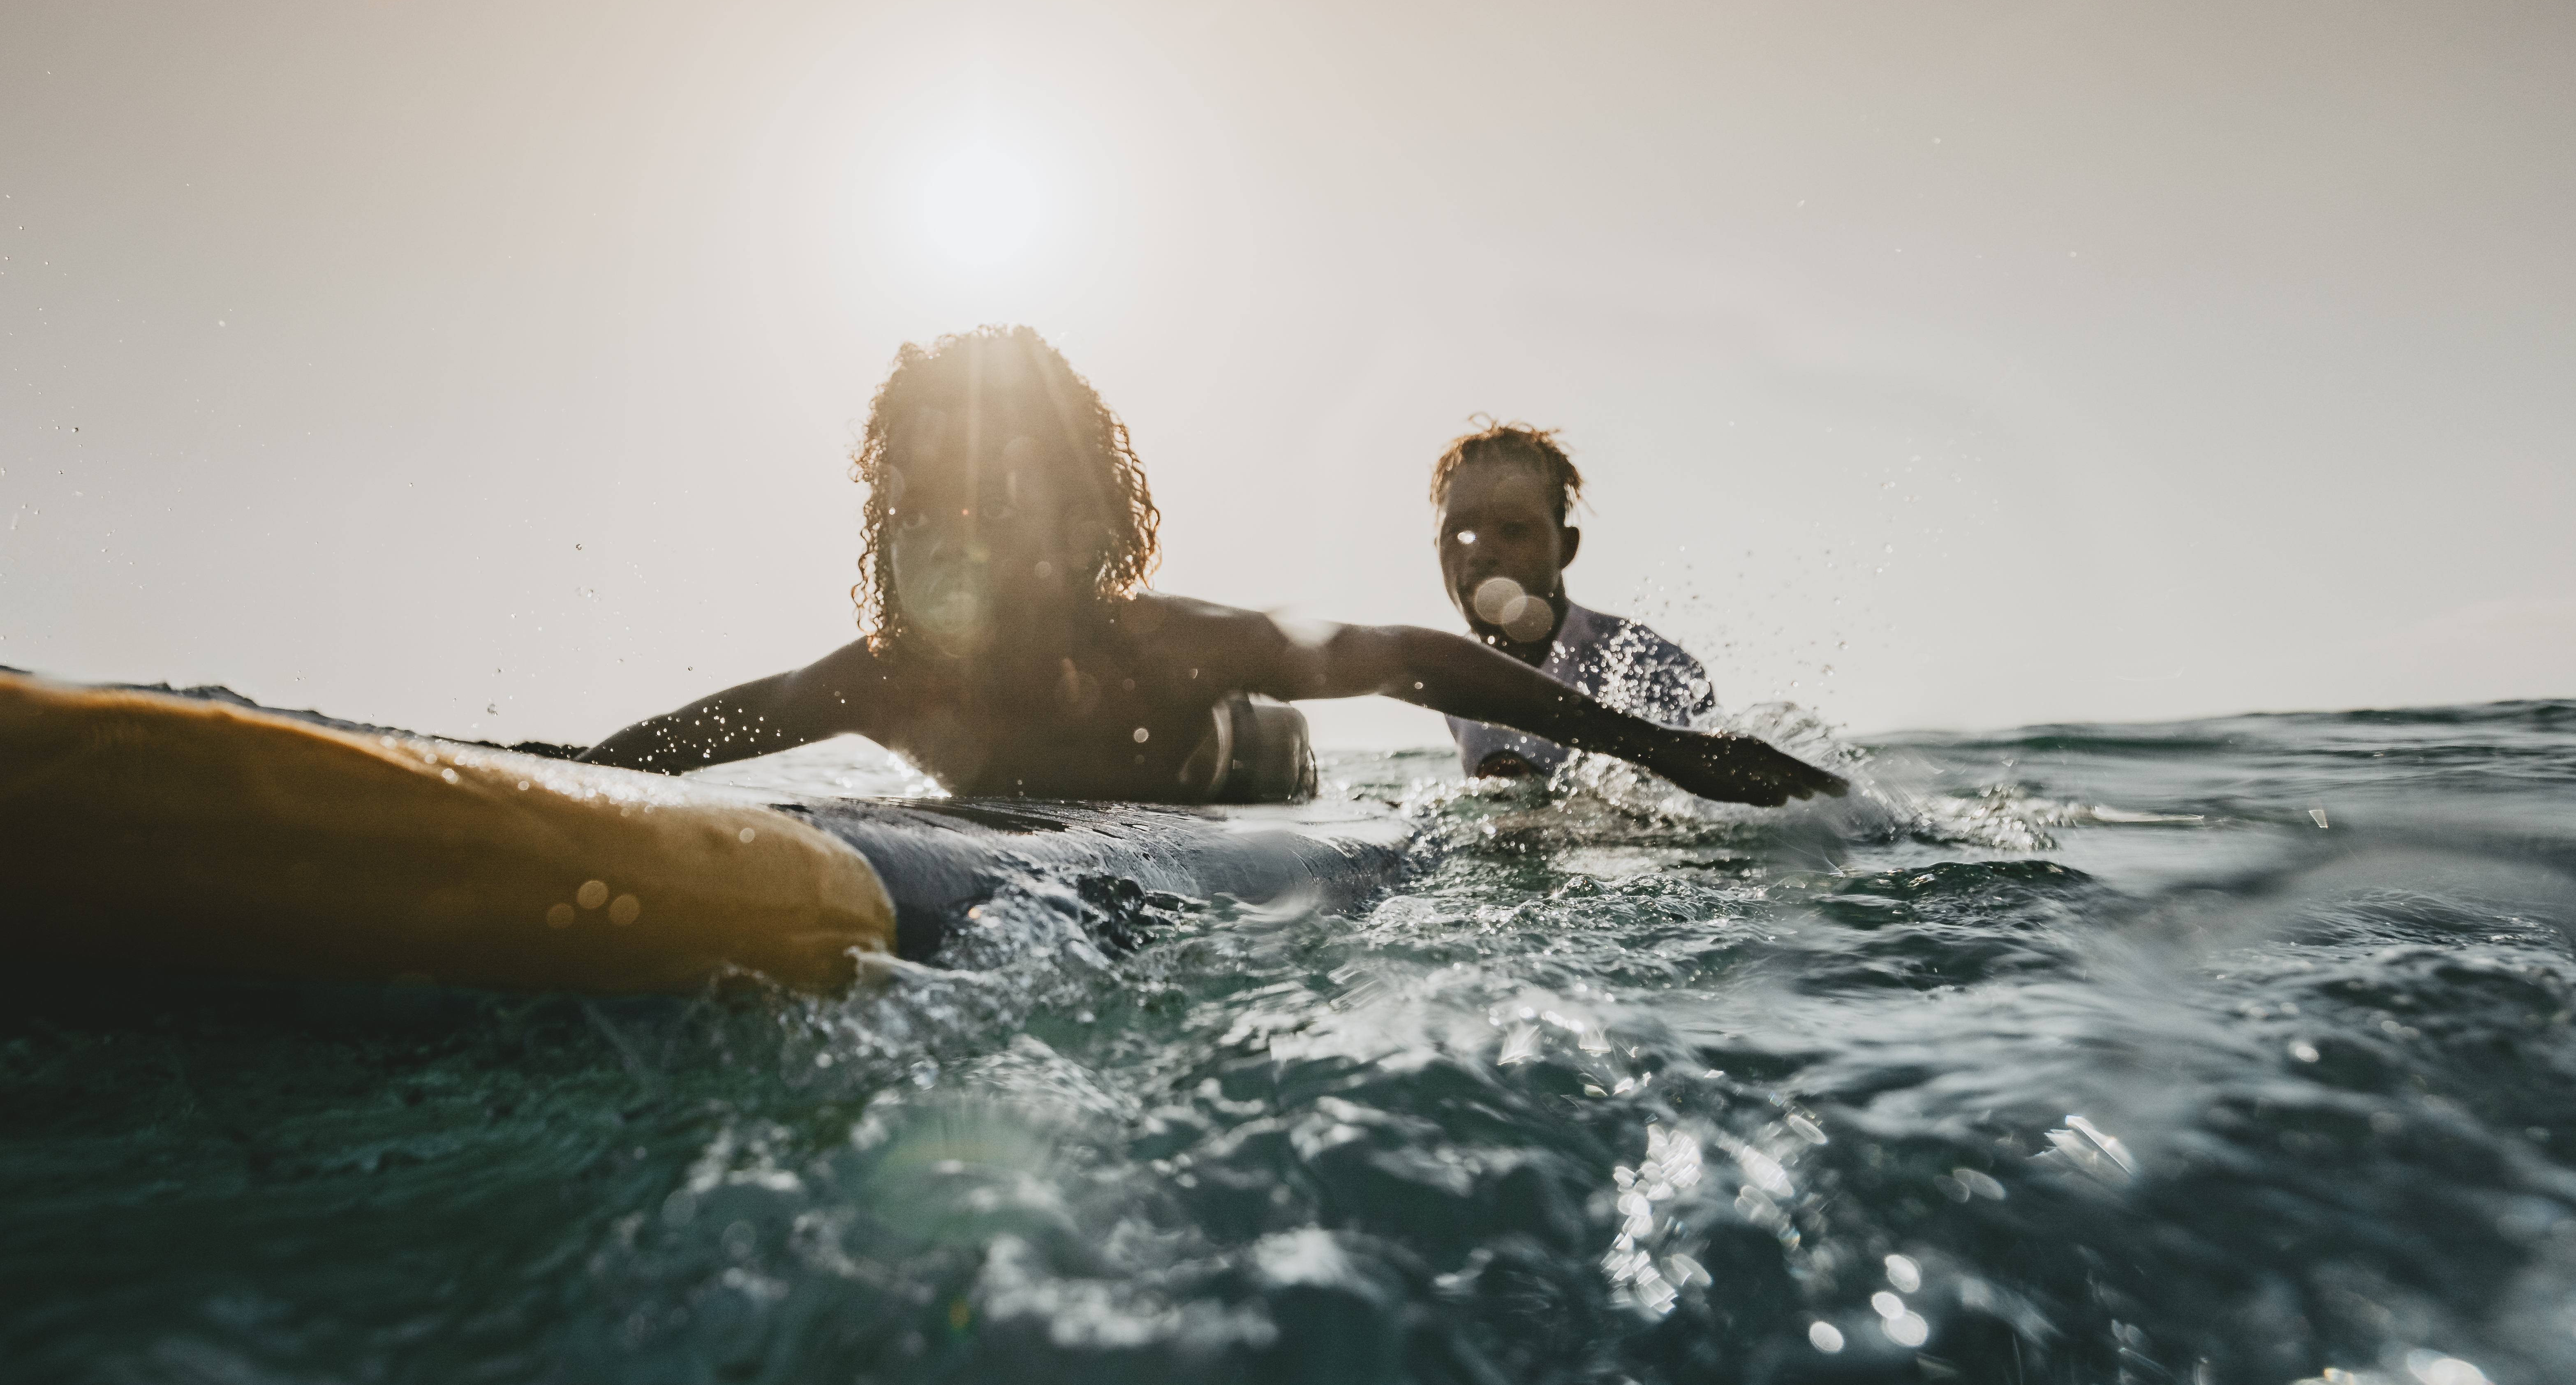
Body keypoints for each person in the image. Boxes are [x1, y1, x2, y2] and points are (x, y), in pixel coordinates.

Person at [590, 327, 1845, 807]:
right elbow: (688, 739)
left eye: (996, 493)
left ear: (1084, 523)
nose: (950, 526)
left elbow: (1400, 659)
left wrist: (1679, 757)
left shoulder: (1160, 646)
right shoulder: (883, 681)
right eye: (914, 496)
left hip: (1255, 772)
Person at [1430, 419, 1719, 781]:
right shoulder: (1448, 676)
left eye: (1513, 529)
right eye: (1460, 531)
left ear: (1566, 548)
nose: (1481, 552)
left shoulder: (1642, 665)